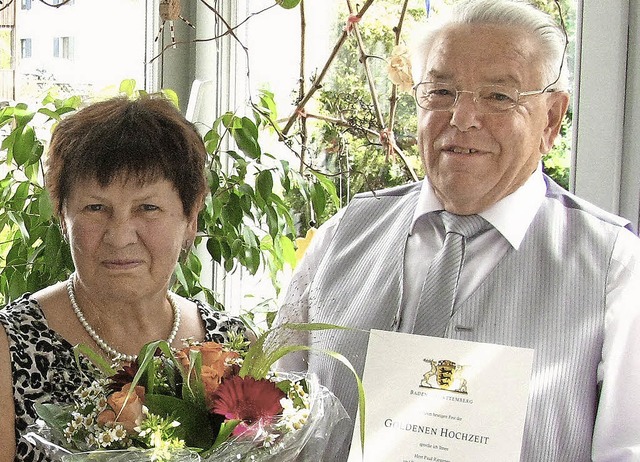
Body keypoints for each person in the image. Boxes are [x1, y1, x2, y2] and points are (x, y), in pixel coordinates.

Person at [275, 0, 640, 460]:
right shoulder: (341, 236)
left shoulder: (614, 266)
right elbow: (271, 417)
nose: (462, 117)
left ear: (551, 119)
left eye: (498, 97)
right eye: (442, 91)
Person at [0, 95, 247, 461]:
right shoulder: (10, 348)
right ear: (62, 217)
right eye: (95, 208)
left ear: (190, 219)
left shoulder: (232, 345)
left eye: (148, 208)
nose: (119, 236)